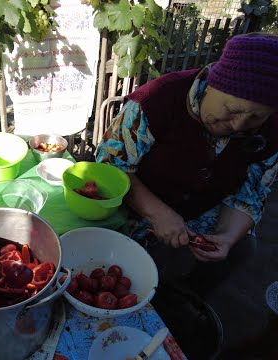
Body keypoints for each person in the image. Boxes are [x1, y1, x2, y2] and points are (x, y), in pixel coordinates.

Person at [95, 32, 278, 293]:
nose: (238, 125)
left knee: (242, 246)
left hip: (203, 213)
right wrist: (157, 213)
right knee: (127, 275)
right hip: (138, 209)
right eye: (232, 110)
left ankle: (189, 296)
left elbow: (251, 194)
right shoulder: (156, 100)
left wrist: (227, 237)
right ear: (213, 83)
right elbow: (110, 166)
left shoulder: (272, 131)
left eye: (254, 118)